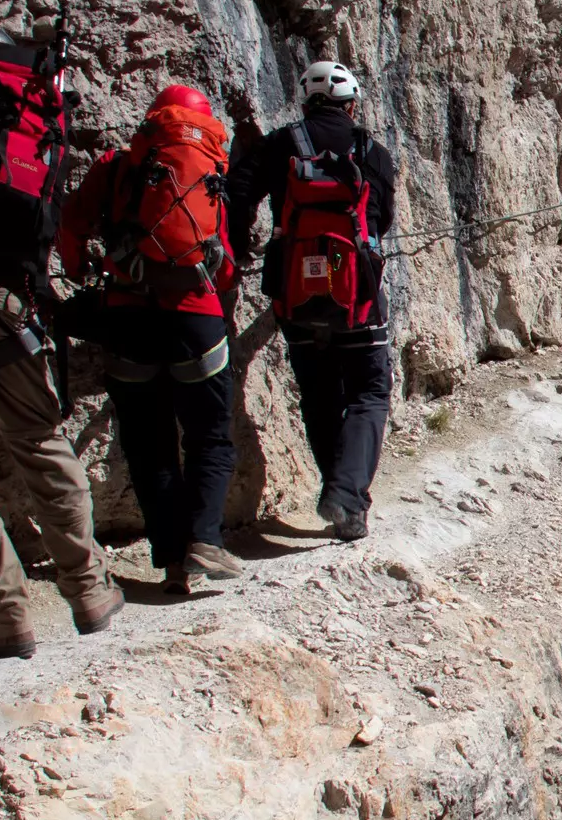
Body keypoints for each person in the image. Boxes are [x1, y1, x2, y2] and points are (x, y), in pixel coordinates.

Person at [0, 20, 123, 657]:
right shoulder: (28, 113)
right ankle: (90, 588)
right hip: (11, 294)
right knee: (41, 435)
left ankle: (5, 619)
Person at [57, 84, 241, 596]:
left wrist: (81, 269)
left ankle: (172, 562)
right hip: (196, 320)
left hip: (129, 318)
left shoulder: (118, 165)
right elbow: (221, 260)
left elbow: (69, 225)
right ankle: (204, 539)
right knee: (209, 437)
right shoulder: (212, 170)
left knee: (148, 444)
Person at [226, 60, 397, 543]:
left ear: (306, 99)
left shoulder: (281, 145)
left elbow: (238, 189)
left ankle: (344, 499)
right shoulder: (372, 152)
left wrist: (240, 244)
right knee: (369, 394)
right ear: (352, 104)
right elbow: (380, 220)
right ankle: (347, 497)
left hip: (296, 296)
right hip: (358, 297)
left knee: (320, 399)